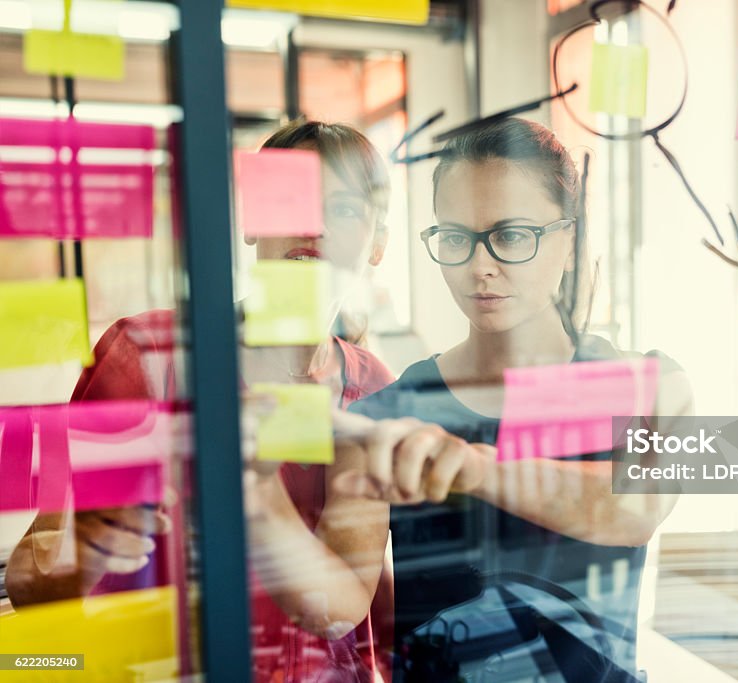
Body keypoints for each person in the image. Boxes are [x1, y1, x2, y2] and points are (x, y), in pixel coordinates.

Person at [5, 121, 479, 683]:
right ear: (254, 220)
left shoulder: (376, 388)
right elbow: (30, 581)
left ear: (379, 243)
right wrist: (83, 552)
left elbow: (354, 602)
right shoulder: (147, 357)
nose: (314, 222)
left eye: (345, 208)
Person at [346, 117, 693, 681]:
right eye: (456, 238)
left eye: (510, 236)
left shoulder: (653, 385)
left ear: (571, 237)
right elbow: (357, 605)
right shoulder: (392, 411)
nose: (480, 266)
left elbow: (636, 508)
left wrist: (472, 466)